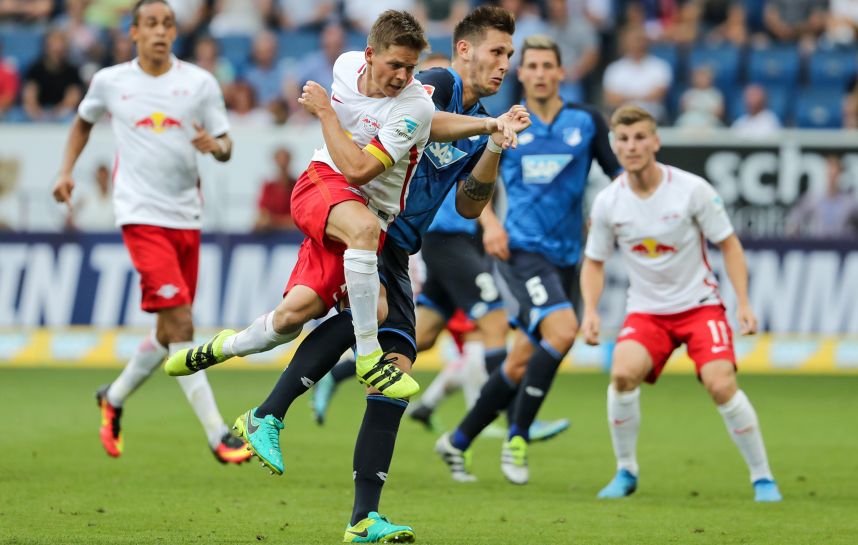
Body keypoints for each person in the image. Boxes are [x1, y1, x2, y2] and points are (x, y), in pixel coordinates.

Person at [164, 9, 526, 542]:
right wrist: (482, 124)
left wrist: (493, 142)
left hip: (397, 245)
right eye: (496, 52)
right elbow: (409, 116)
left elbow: (471, 204)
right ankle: (273, 411)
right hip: (357, 215)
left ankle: (362, 516)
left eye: (508, 56)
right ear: (464, 50)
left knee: (315, 329)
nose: (503, 65)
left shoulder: (479, 121)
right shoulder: (435, 83)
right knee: (370, 321)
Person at [51, 0, 250, 465]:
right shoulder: (110, 81)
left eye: (167, 24)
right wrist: (66, 172)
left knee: (166, 331)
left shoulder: (198, 84)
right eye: (151, 24)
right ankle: (219, 434)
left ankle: (113, 397)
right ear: (134, 32)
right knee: (183, 326)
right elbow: (82, 121)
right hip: (139, 216)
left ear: (175, 32)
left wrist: (213, 145)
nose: (160, 31)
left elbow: (226, 146)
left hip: (187, 216)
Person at [435, 35, 622, 485]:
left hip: (567, 257)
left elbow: (616, 176)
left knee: (521, 360)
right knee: (562, 331)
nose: (538, 73)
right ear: (522, 74)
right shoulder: (505, 122)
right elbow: (471, 181)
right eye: (531, 66)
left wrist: (608, 217)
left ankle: (457, 440)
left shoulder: (586, 122)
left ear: (561, 73)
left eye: (546, 66)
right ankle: (517, 437)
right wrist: (490, 224)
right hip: (519, 250)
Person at [581, 103, 782, 502]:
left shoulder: (692, 190)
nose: (632, 146)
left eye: (640, 138)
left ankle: (763, 478)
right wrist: (590, 310)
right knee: (621, 375)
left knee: (720, 384)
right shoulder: (608, 202)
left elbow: (729, 244)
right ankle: (626, 471)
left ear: (655, 142)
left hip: (700, 306)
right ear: (614, 146)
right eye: (623, 139)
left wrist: (743, 302)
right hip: (647, 313)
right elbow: (594, 262)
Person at [785, 155, 858, 239]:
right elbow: (793, 222)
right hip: (818, 249)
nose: (832, 179)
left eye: (835, 175)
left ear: (840, 175)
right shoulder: (813, 198)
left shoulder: (850, 201)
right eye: (829, 174)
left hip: (843, 249)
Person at [253, 147, 296, 232]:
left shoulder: (297, 186)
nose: (282, 165)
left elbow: (299, 219)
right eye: (280, 161)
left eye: (285, 161)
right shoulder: (268, 187)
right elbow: (263, 214)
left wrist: (274, 222)